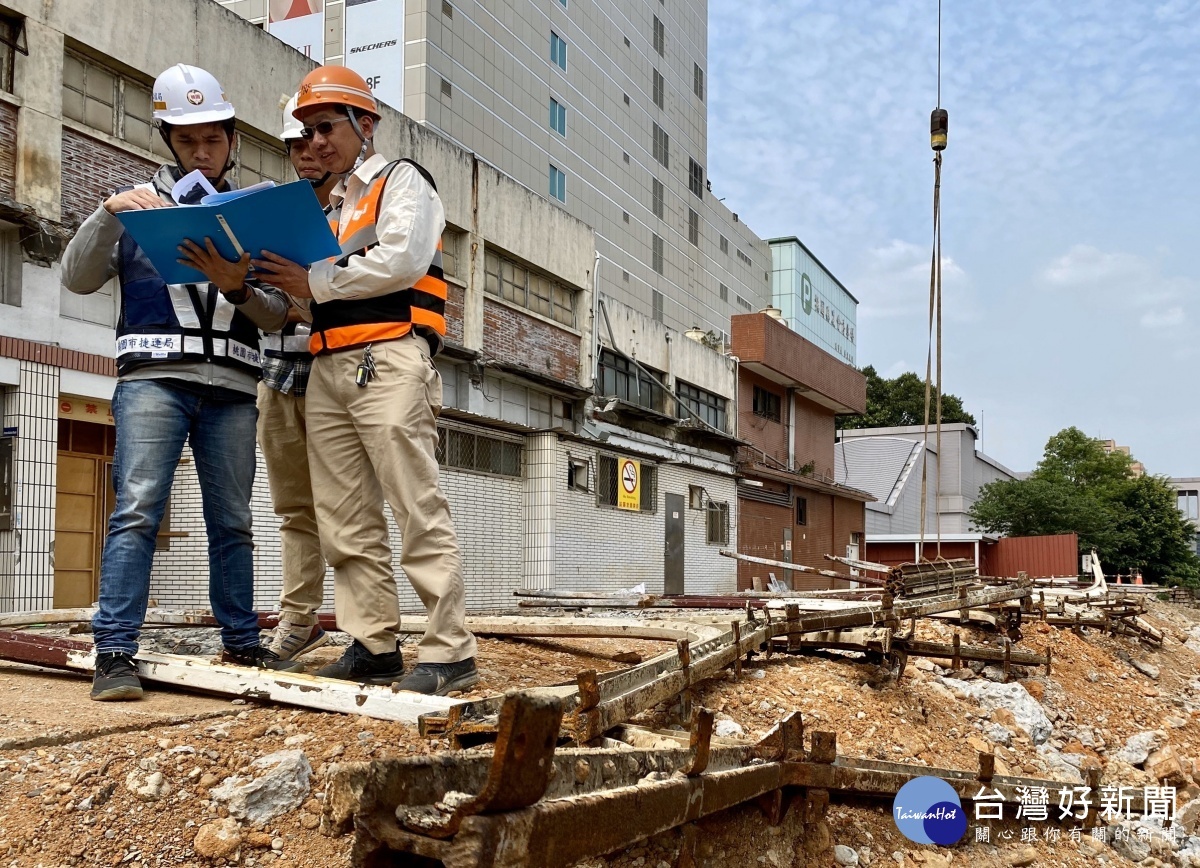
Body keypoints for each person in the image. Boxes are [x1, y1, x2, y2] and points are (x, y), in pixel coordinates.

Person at [61, 63, 303, 702]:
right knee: (137, 509)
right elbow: (76, 278)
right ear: (168, 139)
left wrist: (237, 286)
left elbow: (280, 314)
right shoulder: (134, 207)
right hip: (153, 380)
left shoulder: (256, 214)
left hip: (232, 386)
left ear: (231, 139)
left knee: (233, 519)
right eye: (188, 139)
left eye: (213, 139)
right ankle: (113, 652)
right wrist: (109, 213)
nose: (202, 151)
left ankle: (241, 642)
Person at [253, 66, 478, 695]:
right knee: (344, 516)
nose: (315, 141)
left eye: (326, 127)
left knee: (414, 503)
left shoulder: (402, 181)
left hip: (389, 357)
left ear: (365, 125)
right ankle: (373, 642)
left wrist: (313, 282)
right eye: (305, 131)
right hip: (327, 366)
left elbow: (403, 259)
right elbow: (317, 296)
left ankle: (450, 648)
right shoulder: (323, 210)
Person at [259, 95, 338, 662]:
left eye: (317, 137)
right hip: (278, 374)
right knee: (294, 510)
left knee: (349, 509)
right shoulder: (265, 210)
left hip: (341, 372)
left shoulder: (362, 212)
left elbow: (378, 302)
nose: (307, 151)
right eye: (295, 142)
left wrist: (307, 305)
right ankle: (298, 619)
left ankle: (368, 631)